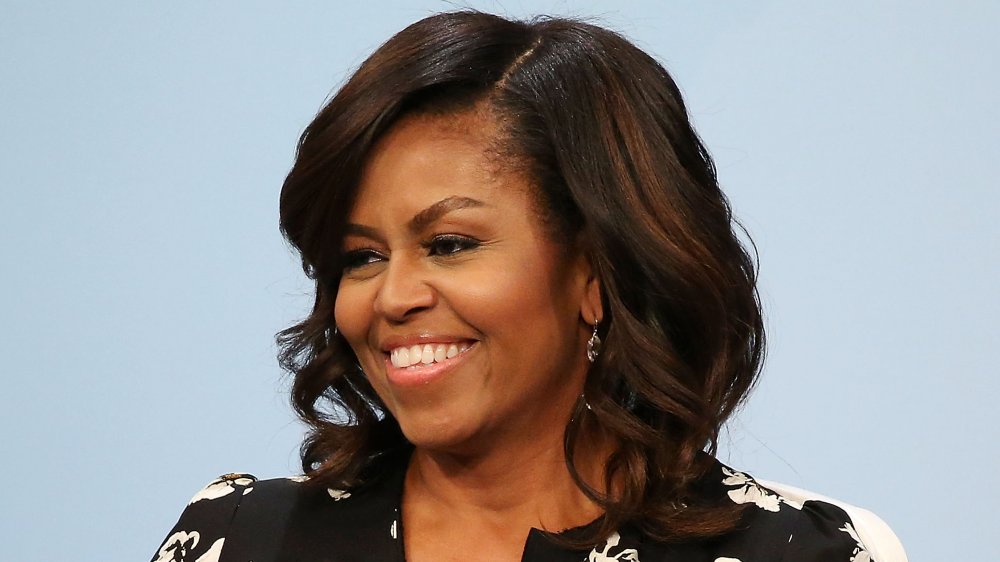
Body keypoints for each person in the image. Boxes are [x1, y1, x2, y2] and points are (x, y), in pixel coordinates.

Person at [152, 11, 883, 562]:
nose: (392, 297)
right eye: (361, 257)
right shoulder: (235, 540)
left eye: (448, 245)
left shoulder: (796, 552)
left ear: (596, 272)